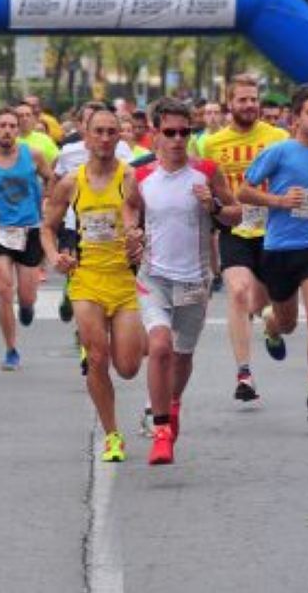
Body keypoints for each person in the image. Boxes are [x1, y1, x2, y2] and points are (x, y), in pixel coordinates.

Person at [127, 98, 239, 463]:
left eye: (184, 132)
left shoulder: (207, 172)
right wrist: (132, 232)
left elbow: (235, 215)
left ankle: (172, 404)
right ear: (156, 134)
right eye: (170, 132)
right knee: (159, 346)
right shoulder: (140, 175)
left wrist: (214, 206)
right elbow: (130, 206)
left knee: (181, 355)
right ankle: (160, 430)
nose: (178, 139)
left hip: (195, 280)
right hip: (154, 277)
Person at [238, 84, 308, 422]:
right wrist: (279, 201)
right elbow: (244, 191)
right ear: (295, 118)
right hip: (280, 249)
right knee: (287, 324)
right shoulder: (279, 152)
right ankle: (271, 324)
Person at [41, 107, 144, 462]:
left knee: (128, 367)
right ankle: (112, 435)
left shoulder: (130, 178)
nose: (104, 138)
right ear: (85, 137)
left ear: (120, 136)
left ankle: (138, 339)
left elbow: (149, 221)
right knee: (98, 358)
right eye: (98, 131)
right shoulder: (71, 182)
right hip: (86, 279)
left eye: (111, 131)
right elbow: (47, 228)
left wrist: (140, 239)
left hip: (124, 279)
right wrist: (54, 256)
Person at [201, 74, 289, 402]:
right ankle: (244, 373)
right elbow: (209, 187)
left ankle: (272, 329)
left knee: (269, 308)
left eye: (254, 99)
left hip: (273, 231)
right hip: (235, 229)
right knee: (238, 292)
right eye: (243, 99)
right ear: (230, 103)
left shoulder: (278, 137)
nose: (250, 105)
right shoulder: (212, 144)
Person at [0, 107, 54, 370]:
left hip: (30, 229)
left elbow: (50, 178)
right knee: (3, 290)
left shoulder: (33, 155)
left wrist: (47, 202)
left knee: (27, 297)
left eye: (12, 126)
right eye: (3, 125)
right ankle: (11, 350)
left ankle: (27, 307)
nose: (7, 130)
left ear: (18, 129)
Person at [15, 101, 60, 168]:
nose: (25, 119)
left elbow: (57, 158)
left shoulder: (44, 138)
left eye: (28, 115)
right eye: (20, 116)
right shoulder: (10, 140)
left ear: (33, 118)